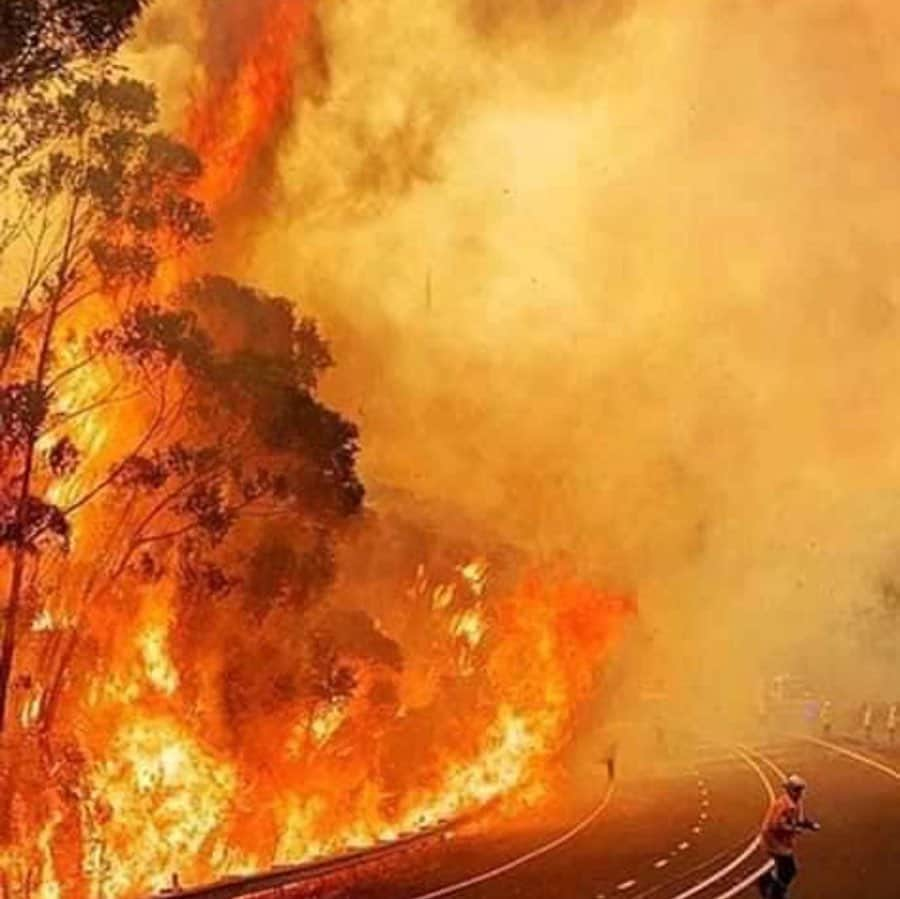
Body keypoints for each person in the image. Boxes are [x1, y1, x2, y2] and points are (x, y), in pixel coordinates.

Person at [757, 774, 820, 898]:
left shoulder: (796, 803)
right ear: (790, 790)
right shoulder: (783, 805)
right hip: (773, 841)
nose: (800, 793)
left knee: (785, 868)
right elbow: (777, 825)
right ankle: (776, 893)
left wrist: (810, 825)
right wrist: (794, 829)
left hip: (782, 842)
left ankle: (767, 882)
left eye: (800, 790)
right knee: (789, 869)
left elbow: (799, 819)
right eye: (797, 790)